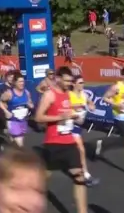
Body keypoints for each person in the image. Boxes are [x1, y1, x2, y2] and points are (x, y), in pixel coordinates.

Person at [35, 66, 88, 213]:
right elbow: (38, 117)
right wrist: (60, 117)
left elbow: (71, 113)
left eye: (70, 81)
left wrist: (76, 117)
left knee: (79, 176)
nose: (68, 84)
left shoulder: (69, 94)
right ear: (58, 79)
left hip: (69, 142)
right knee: (46, 177)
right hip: (53, 143)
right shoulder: (49, 95)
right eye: (66, 81)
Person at [69, 77, 99, 186]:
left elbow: (91, 104)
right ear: (73, 84)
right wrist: (74, 113)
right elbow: (63, 108)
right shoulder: (69, 95)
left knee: (74, 150)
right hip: (69, 125)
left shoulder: (83, 95)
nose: (82, 84)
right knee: (81, 149)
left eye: (83, 82)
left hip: (78, 127)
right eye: (80, 83)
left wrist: (91, 106)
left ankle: (75, 168)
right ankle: (86, 175)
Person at [0, 73, 34, 148]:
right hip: (12, 121)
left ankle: (7, 149)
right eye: (20, 81)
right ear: (15, 83)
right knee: (19, 144)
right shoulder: (9, 93)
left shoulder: (26, 92)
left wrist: (30, 105)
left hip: (23, 121)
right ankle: (20, 158)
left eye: (23, 81)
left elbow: (30, 102)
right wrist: (5, 111)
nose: (22, 83)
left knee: (15, 142)